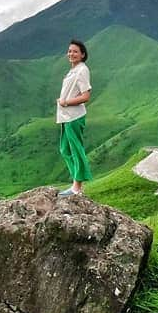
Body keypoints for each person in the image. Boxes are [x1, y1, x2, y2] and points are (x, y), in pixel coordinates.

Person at [57, 39, 92, 196]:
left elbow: (86, 96)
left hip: (74, 116)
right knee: (65, 149)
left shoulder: (82, 70)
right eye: (70, 51)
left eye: (75, 51)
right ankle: (75, 183)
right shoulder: (73, 70)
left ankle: (77, 187)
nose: (71, 53)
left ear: (82, 54)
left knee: (76, 149)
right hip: (66, 117)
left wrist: (66, 102)